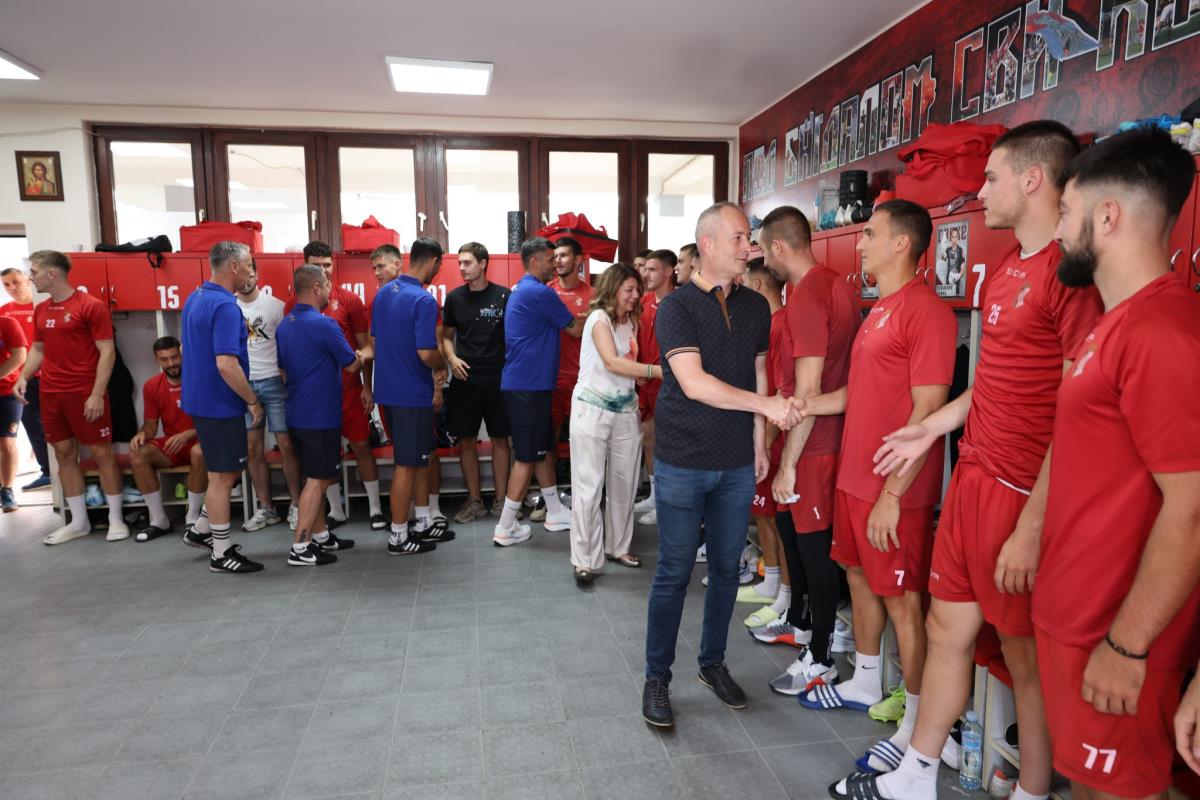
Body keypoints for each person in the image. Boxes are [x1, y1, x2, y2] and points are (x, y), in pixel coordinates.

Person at [838, 120, 1099, 800]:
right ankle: (917, 772)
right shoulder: (1008, 268)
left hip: (1021, 490)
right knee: (944, 625)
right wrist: (930, 429)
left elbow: (1076, 411)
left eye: (990, 177)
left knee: (1021, 655)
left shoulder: (1071, 276)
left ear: (1032, 179)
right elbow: (989, 382)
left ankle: (1032, 789)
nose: (979, 192)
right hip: (973, 477)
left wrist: (1033, 526)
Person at [1033, 129, 1199, 800]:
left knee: (1121, 790)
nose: (1057, 231)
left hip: (1119, 633)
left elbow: (1192, 509)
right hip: (1080, 616)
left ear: (1108, 217)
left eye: (1065, 213)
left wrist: (1128, 646)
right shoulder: (1115, 323)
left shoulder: (1163, 332)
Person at [797, 201, 955, 778]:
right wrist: (803, 405)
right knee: (858, 577)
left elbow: (928, 409)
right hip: (854, 478)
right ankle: (866, 681)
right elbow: (858, 394)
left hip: (894, 489)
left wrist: (893, 492)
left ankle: (917, 722)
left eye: (870, 234)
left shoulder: (927, 312)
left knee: (903, 602)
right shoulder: (879, 309)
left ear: (901, 244)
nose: (859, 244)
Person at [641, 202, 797, 729]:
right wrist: (767, 408)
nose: (749, 246)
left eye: (749, 237)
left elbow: (758, 372)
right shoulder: (676, 308)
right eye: (739, 237)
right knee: (674, 571)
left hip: (735, 462)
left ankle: (712, 663)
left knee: (727, 569)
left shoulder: (756, 307)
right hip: (683, 460)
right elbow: (694, 383)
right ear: (707, 244)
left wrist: (759, 443)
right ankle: (657, 677)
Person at [758, 205, 859, 697]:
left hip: (816, 446)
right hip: (828, 439)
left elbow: (808, 390)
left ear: (779, 247)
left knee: (816, 553)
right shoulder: (834, 284)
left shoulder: (806, 297)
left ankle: (820, 659)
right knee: (805, 546)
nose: (763, 260)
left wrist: (789, 465)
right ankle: (808, 636)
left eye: (763, 250)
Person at [15, 250, 126, 544]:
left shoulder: (90, 306)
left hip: (84, 392)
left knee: (102, 453)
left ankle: (116, 519)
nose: (30, 277)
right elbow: (38, 349)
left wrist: (97, 394)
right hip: (51, 393)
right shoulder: (41, 309)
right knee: (63, 454)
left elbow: (107, 352)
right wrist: (23, 377)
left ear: (52, 273)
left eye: (34, 271)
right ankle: (79, 522)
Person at [569, 263, 661, 584]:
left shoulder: (630, 321)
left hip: (625, 410)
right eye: (629, 290)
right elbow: (611, 362)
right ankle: (584, 559)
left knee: (624, 484)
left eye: (637, 290)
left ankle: (618, 547)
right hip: (591, 410)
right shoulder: (599, 319)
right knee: (589, 486)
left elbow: (626, 364)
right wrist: (655, 371)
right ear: (613, 289)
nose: (635, 296)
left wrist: (642, 377)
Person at [180, 241, 264, 574]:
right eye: (249, 265)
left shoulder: (196, 296)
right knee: (222, 477)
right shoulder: (226, 307)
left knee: (225, 471)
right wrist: (252, 400)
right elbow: (227, 365)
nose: (251, 272)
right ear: (233, 266)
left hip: (204, 400)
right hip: (219, 403)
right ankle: (221, 552)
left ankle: (202, 529)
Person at [292, 241, 385, 531]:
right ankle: (336, 510)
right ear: (305, 266)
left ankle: (374, 509)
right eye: (316, 265)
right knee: (327, 452)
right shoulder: (294, 306)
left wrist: (367, 387)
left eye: (327, 264)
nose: (323, 270)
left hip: (349, 390)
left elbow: (366, 347)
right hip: (317, 396)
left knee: (361, 446)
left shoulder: (348, 300)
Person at [493, 237, 577, 546]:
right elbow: (575, 328)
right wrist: (606, 314)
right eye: (550, 258)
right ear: (534, 262)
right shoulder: (540, 292)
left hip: (530, 384)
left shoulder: (523, 289)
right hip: (527, 386)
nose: (556, 263)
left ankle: (554, 511)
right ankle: (505, 527)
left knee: (541, 449)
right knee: (527, 457)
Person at [277, 265, 363, 566]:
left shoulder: (284, 325)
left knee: (318, 476)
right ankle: (300, 547)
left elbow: (283, 370)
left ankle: (322, 536)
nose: (330, 291)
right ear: (316, 287)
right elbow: (351, 364)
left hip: (297, 412)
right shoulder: (325, 324)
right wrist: (367, 353)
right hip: (319, 416)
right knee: (317, 479)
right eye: (327, 285)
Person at [372, 238, 445, 556]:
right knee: (406, 465)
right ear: (433, 261)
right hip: (411, 393)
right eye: (439, 265)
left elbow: (375, 342)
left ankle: (422, 523)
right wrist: (442, 366)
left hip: (388, 392)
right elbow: (427, 352)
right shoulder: (424, 300)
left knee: (416, 461)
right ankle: (399, 537)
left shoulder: (383, 294)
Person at [736, 259, 795, 628]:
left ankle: (784, 593)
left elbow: (782, 390)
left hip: (774, 436)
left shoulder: (781, 325)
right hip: (762, 432)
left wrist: (766, 442)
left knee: (776, 518)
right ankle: (771, 580)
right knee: (763, 513)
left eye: (744, 282)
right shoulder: (767, 325)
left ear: (757, 285)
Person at [442, 241, 512, 523]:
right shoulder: (454, 298)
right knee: (466, 441)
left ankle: (501, 502)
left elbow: (514, 337)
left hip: (498, 379)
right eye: (459, 263)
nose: (462, 268)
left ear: (483, 263)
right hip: (465, 379)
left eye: (467, 262)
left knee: (500, 440)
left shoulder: (504, 296)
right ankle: (474, 502)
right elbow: (446, 338)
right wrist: (452, 359)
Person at [236, 259, 300, 532]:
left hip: (274, 382)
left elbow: (289, 344)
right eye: (242, 274)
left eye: (251, 273)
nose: (247, 279)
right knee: (253, 448)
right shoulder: (229, 307)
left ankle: (296, 504)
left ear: (257, 273)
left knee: (286, 445)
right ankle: (266, 508)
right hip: (245, 386)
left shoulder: (276, 307)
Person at [129, 336, 207, 541]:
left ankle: (193, 518)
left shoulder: (199, 379)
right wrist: (142, 434)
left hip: (201, 442)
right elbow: (151, 425)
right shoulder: (152, 386)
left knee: (199, 452)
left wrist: (188, 434)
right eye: (164, 359)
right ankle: (159, 520)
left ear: (182, 355)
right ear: (157, 360)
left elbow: (214, 420)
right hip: (173, 445)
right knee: (138, 454)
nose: (171, 363)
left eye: (174, 357)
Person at [544, 236, 591, 514]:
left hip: (582, 382)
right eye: (555, 256)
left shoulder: (593, 294)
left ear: (578, 260)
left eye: (564, 255)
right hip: (549, 381)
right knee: (546, 442)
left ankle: (582, 497)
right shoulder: (546, 293)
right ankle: (550, 501)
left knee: (583, 443)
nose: (558, 260)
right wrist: (575, 323)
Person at [632, 249, 675, 526]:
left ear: (668, 272)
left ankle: (666, 502)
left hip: (668, 382)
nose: (645, 274)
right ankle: (655, 495)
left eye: (652, 269)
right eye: (645, 269)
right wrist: (636, 369)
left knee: (666, 443)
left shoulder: (679, 302)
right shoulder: (644, 301)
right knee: (649, 440)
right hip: (645, 380)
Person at [0, 268, 50, 489]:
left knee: (56, 425)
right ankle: (47, 471)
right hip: (20, 380)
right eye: (6, 284)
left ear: (28, 281)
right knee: (33, 425)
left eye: (16, 282)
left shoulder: (42, 307)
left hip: (48, 375)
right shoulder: (4, 313)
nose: (12, 288)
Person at [0, 308, 27, 511]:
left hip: (7, 392)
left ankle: (7, 490)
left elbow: (20, 356)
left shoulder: (7, 323)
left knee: (7, 442)